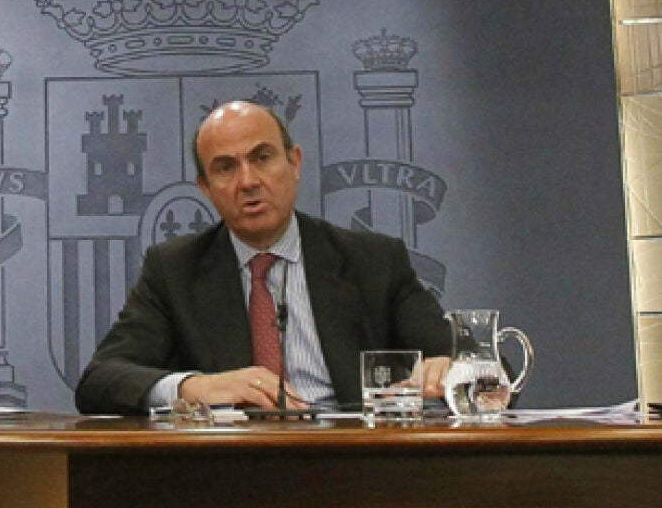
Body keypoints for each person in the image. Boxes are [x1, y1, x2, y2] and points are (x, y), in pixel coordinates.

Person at [75, 100, 451, 414]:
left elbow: (473, 365)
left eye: (262, 158)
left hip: (354, 459)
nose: (248, 182)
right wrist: (193, 387)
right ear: (205, 188)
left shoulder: (373, 261)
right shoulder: (174, 270)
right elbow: (99, 380)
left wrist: (449, 370)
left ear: (294, 162)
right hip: (230, 465)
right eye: (226, 168)